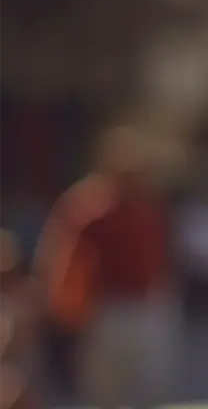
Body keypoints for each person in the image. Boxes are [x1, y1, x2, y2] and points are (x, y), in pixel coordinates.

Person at [35, 126, 178, 407]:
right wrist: (66, 308)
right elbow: (66, 259)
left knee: (149, 389)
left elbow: (160, 259)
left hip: (148, 308)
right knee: (107, 393)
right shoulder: (89, 207)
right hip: (107, 310)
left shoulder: (147, 209)